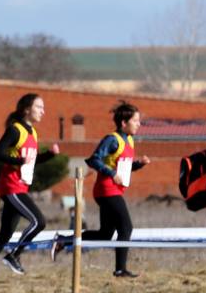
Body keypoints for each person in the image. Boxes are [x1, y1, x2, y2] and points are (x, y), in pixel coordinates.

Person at [55, 103, 148, 277]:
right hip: (106, 190)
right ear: (123, 123)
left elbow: (123, 169)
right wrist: (111, 173)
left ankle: (64, 240)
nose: (139, 124)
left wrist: (139, 165)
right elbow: (93, 160)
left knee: (105, 234)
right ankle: (120, 269)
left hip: (114, 191)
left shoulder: (129, 140)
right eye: (135, 120)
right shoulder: (112, 139)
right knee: (126, 227)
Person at [0, 93, 55, 275]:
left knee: (5, 234)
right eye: (39, 107)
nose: (43, 111)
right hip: (11, 186)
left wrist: (49, 155)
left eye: (43, 108)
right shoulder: (15, 130)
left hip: (21, 186)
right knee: (39, 221)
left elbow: (30, 161)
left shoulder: (33, 133)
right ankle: (14, 255)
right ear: (26, 109)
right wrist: (18, 161)